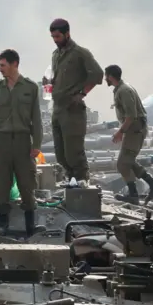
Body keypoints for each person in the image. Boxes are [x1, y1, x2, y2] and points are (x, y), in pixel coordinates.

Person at [0, 49, 45, 237]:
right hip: (1, 142)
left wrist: (37, 144)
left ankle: (30, 225)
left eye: (3, 65)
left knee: (27, 183)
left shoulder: (31, 88)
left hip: (23, 142)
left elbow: (36, 117)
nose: (0, 69)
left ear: (14, 64)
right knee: (2, 184)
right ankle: (3, 224)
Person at [45, 19, 103, 183]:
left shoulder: (80, 53)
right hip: (58, 109)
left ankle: (82, 181)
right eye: (53, 37)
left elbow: (97, 75)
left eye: (57, 36)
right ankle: (71, 180)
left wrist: (81, 93)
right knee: (60, 153)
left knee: (74, 152)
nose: (55, 40)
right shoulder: (56, 55)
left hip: (73, 109)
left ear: (67, 34)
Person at [104, 65, 153, 205]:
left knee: (122, 164)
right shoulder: (122, 89)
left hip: (135, 131)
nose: (105, 79)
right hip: (133, 130)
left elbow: (131, 116)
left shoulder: (124, 91)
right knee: (128, 161)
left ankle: (134, 194)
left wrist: (120, 132)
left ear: (111, 76)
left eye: (106, 76)